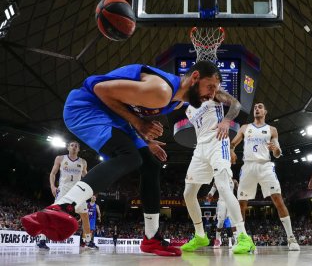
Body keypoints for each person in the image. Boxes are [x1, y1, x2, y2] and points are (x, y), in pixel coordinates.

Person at [21, 60, 224, 257]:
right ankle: (62, 205)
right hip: (85, 107)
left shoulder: (178, 102)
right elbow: (100, 90)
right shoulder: (161, 90)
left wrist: (145, 138)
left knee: (151, 164)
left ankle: (151, 237)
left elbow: (126, 109)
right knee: (129, 157)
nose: (212, 95)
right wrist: (139, 123)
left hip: (114, 117)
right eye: (210, 87)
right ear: (195, 77)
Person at [180, 91, 255, 254]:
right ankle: (200, 235)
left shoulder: (210, 92)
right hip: (200, 148)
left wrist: (227, 121)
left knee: (223, 187)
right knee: (188, 193)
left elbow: (236, 104)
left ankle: (243, 236)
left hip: (218, 142)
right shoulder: (188, 107)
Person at [230, 102, 300, 251]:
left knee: (278, 199)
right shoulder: (245, 128)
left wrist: (276, 150)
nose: (257, 108)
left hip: (265, 166)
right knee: (241, 204)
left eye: (260, 107)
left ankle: (291, 238)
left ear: (265, 112)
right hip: (248, 166)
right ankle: (240, 239)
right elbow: (233, 143)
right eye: (255, 107)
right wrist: (231, 150)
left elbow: (277, 153)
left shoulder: (272, 129)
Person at [37, 141, 97, 250]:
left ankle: (88, 241)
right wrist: (52, 186)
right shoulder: (60, 158)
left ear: (79, 149)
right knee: (54, 213)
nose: (74, 147)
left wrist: (92, 188)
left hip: (78, 190)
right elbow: (52, 173)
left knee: (85, 216)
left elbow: (86, 177)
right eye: (72, 145)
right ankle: (41, 239)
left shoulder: (83, 162)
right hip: (64, 189)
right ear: (68, 147)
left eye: (76, 146)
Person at [206, 178, 239, 248]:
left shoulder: (234, 181)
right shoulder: (217, 180)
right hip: (221, 201)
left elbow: (239, 190)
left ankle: (236, 241)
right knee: (220, 222)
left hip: (231, 201)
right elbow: (212, 191)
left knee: (232, 221)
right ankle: (218, 240)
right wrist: (209, 195)